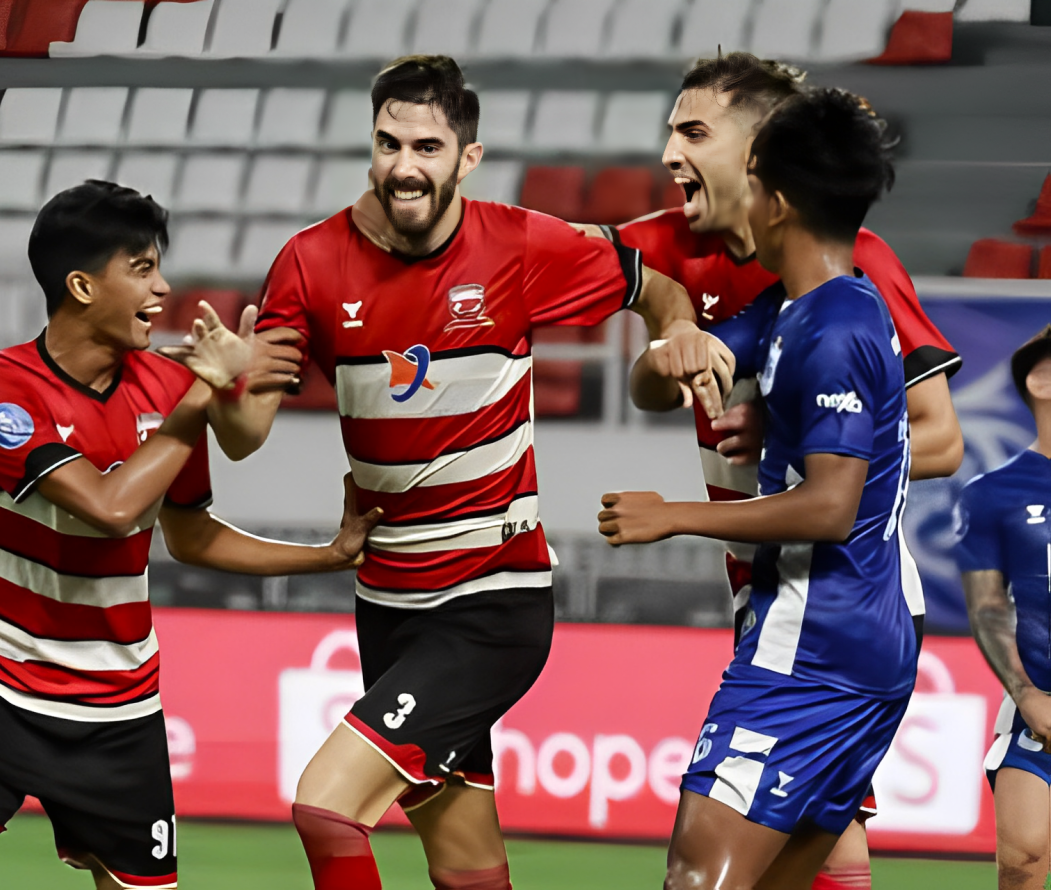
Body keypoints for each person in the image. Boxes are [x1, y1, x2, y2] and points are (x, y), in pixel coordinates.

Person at [190, 55, 728, 890]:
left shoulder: (520, 242)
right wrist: (229, 382)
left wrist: (674, 337)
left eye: (428, 147)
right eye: (389, 143)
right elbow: (244, 436)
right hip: (387, 604)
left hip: (492, 599)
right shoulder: (309, 262)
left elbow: (653, 289)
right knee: (465, 862)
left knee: (326, 807)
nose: (405, 165)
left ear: (465, 160)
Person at [0, 181, 379, 890]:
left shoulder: (163, 387)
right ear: (82, 286)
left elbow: (190, 537)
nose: (163, 288)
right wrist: (201, 395)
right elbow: (109, 506)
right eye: (143, 268)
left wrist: (327, 557)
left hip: (118, 707)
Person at [593, 51, 963, 889]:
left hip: (817, 625)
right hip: (834, 623)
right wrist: (672, 332)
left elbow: (847, 494)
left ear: (769, 181)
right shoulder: (790, 304)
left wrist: (677, 512)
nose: (669, 154)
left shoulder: (842, 308)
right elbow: (675, 363)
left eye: (696, 132)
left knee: (699, 877)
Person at [958, 326, 1051, 890]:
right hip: (1040, 709)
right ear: (1040, 379)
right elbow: (988, 607)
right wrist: (1027, 694)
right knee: (1022, 861)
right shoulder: (993, 493)